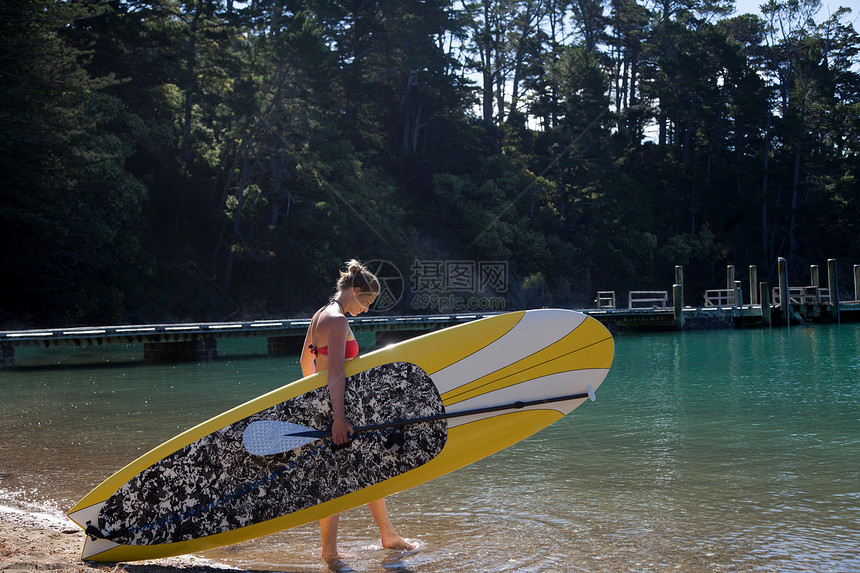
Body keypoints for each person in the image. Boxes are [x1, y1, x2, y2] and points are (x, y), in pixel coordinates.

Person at [299, 259, 414, 560]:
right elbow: (336, 371)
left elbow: (305, 362)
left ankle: (386, 535)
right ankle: (330, 554)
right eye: (367, 302)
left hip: (327, 405)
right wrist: (337, 416)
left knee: (368, 471)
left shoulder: (319, 315)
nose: (366, 309)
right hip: (339, 411)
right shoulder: (337, 320)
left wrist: (315, 400)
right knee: (336, 481)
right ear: (356, 291)